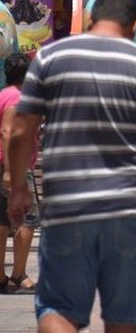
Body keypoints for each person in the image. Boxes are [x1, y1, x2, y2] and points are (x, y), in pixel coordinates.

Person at [7, 0, 136, 332]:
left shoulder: (50, 58)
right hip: (127, 210)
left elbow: (20, 132)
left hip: (67, 206)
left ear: (90, 18)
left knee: (57, 309)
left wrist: (18, 186)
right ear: (134, 26)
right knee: (122, 317)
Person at [0, 53, 37, 294]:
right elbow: (7, 132)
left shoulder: (3, 95)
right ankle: (18, 273)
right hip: (15, 166)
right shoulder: (17, 98)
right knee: (27, 219)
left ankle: (1, 275)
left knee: (2, 222)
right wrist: (10, 170)